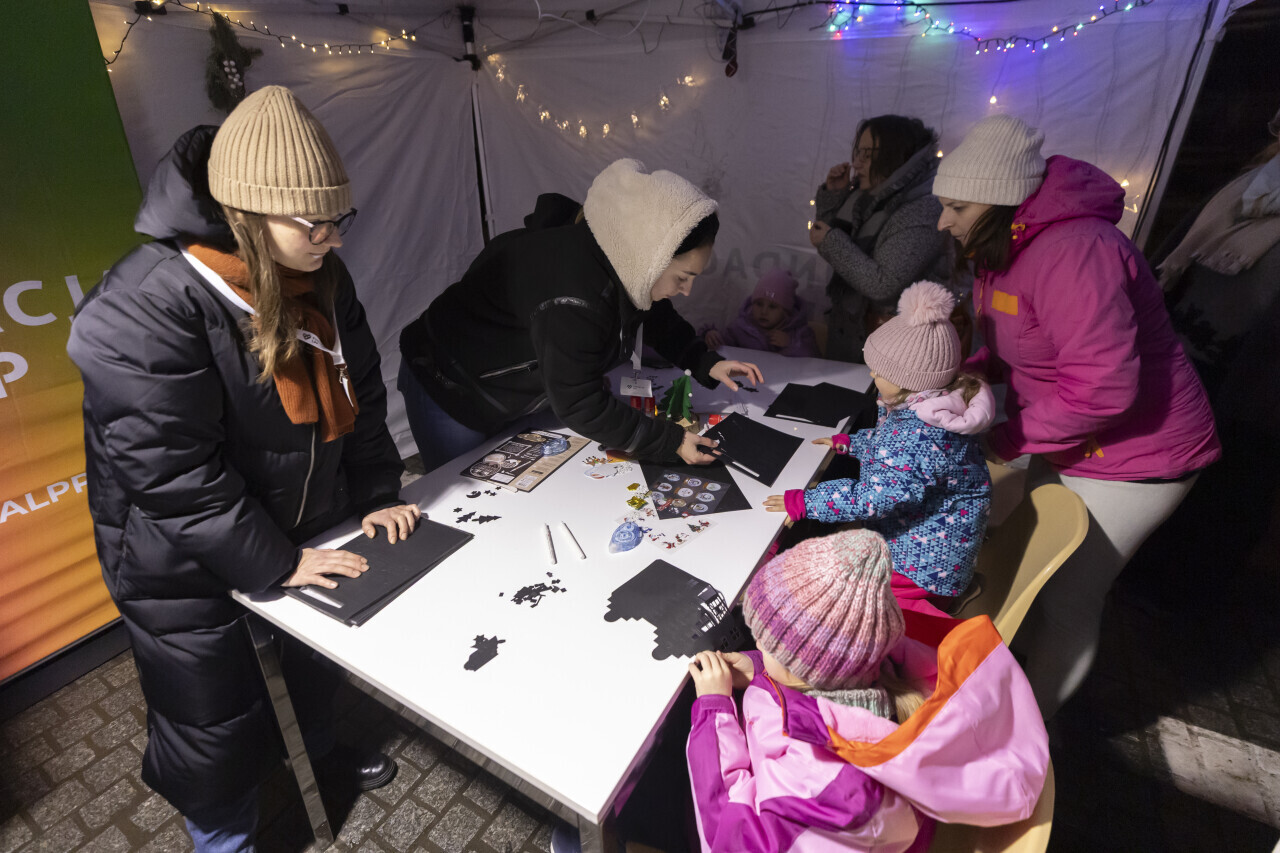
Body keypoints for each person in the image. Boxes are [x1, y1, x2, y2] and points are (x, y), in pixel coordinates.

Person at [67, 86, 415, 851]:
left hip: (302, 521)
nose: (334, 238)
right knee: (212, 720)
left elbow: (360, 390)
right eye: (315, 223)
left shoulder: (321, 274)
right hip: (181, 558)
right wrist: (276, 560)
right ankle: (224, 837)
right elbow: (173, 475)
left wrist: (375, 494)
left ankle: (317, 755)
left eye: (340, 217)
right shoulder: (146, 302)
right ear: (248, 215)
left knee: (312, 661)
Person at [932, 114, 1221, 718]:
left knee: (1068, 597)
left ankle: (1033, 734)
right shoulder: (1004, 246)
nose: (943, 222)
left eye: (956, 207)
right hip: (1070, 440)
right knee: (1032, 579)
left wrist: (1006, 439)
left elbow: (1103, 389)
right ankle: (1010, 690)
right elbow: (1021, 341)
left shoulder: (1075, 250)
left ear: (1000, 201)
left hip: (1137, 457)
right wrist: (969, 372)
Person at [685, 528, 1048, 851]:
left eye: (765, 642)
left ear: (803, 669)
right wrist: (762, 670)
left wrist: (714, 710)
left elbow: (731, 839)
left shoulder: (828, 781)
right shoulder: (880, 667)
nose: (757, 644)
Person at [398, 159, 763, 472]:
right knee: (460, 497)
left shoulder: (622, 261)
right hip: (450, 387)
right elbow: (578, 402)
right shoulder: (572, 291)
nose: (687, 290)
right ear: (652, 257)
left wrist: (704, 362)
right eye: (683, 277)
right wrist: (671, 441)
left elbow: (653, 315)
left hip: (516, 386)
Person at [763, 281, 994, 616]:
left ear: (909, 379)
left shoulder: (920, 436)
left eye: (881, 371)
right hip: (933, 541)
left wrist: (808, 502)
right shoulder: (926, 406)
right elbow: (891, 447)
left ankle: (935, 607)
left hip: (923, 564)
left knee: (876, 615)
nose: (872, 373)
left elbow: (874, 497)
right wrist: (852, 443)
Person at [810, 115, 953, 363]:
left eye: (868, 155)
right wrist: (834, 196)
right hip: (854, 341)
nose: (856, 163)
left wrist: (830, 241)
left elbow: (883, 283)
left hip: (896, 355)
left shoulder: (924, 207)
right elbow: (838, 247)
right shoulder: (868, 197)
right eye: (858, 152)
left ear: (896, 155)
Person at [702, 268, 821, 357]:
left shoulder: (799, 333)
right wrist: (711, 335)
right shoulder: (740, 328)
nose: (764, 311)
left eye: (772, 307)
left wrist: (791, 344)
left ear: (786, 311)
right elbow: (723, 348)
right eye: (759, 304)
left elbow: (814, 359)